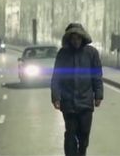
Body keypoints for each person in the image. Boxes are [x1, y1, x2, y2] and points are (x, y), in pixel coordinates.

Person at [51, 23, 103, 156]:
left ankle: (82, 152)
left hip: (86, 102)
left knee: (84, 134)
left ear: (82, 38)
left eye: (78, 38)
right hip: (68, 103)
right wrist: (56, 97)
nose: (76, 41)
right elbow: (56, 77)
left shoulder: (91, 53)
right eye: (73, 38)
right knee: (70, 135)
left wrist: (98, 94)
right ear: (69, 39)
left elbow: (97, 75)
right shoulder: (63, 54)